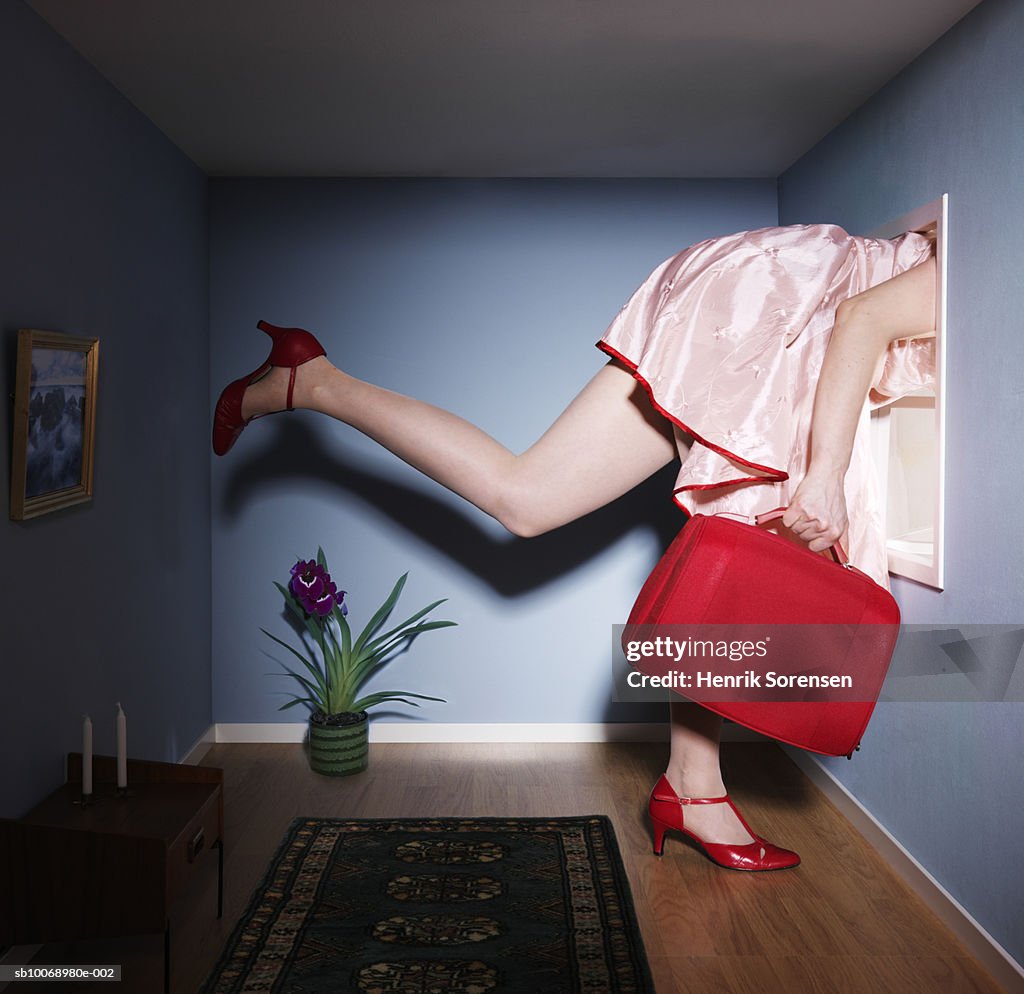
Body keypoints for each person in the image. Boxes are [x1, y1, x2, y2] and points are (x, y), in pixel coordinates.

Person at [213, 223, 937, 871]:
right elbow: (865, 315)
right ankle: (694, 787)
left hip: (770, 305)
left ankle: (308, 382)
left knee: (530, 501)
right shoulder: (1001, 255)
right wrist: (828, 473)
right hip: (778, 311)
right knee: (758, 543)